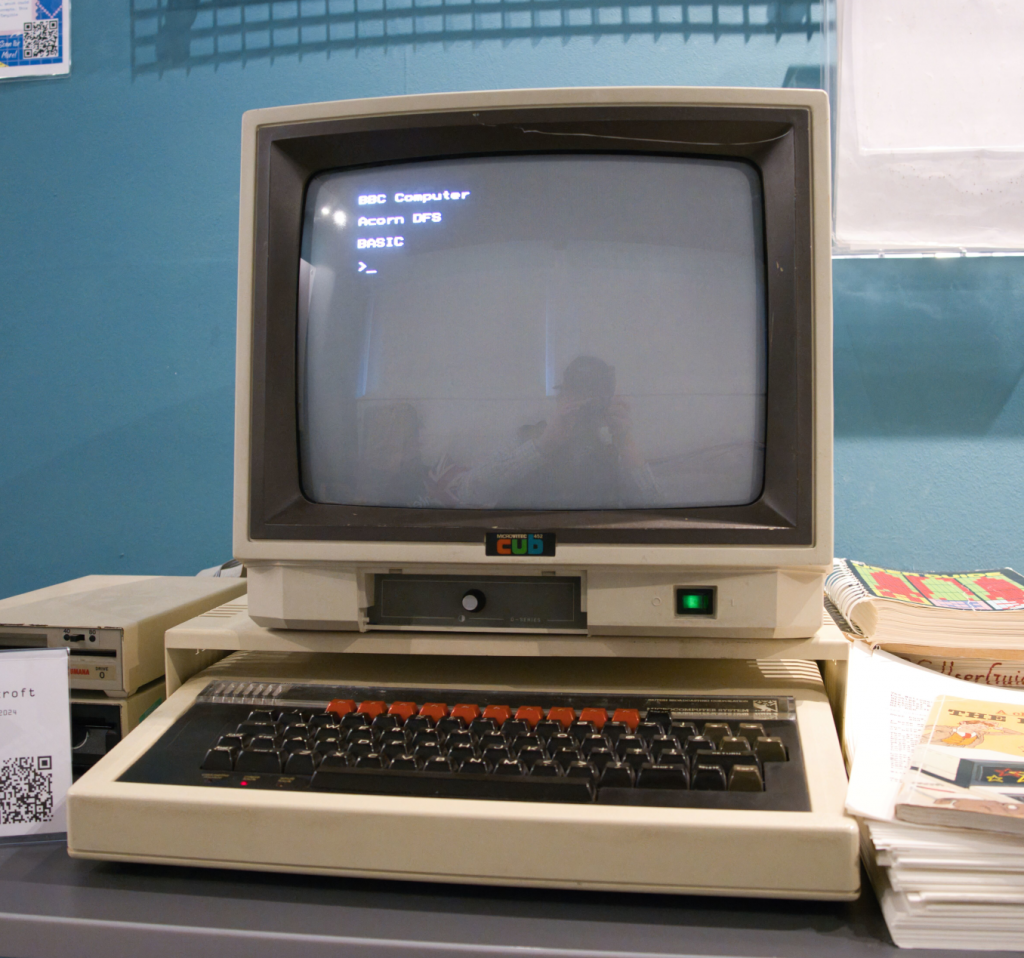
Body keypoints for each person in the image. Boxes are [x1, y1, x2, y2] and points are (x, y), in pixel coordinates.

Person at [441, 356, 659, 509]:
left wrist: (626, 442)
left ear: (606, 404)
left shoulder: (614, 454)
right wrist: (543, 447)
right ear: (560, 397)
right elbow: (467, 493)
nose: (584, 407)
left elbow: (654, 513)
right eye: (577, 396)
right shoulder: (527, 439)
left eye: (593, 400)